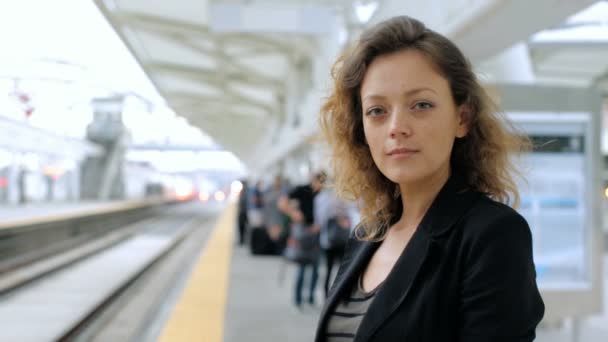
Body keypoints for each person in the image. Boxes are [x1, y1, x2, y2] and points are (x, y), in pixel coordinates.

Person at [314, 16, 544, 341]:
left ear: (462, 119)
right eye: (377, 111)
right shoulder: (366, 236)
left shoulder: (491, 236)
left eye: (421, 105)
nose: (396, 127)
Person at [279, 172, 325, 309]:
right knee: (302, 265)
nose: (320, 186)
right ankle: (298, 299)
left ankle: (311, 298)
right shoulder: (302, 189)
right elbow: (282, 202)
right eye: (319, 182)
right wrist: (293, 214)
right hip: (303, 231)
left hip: (317, 232)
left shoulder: (322, 194)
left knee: (316, 267)